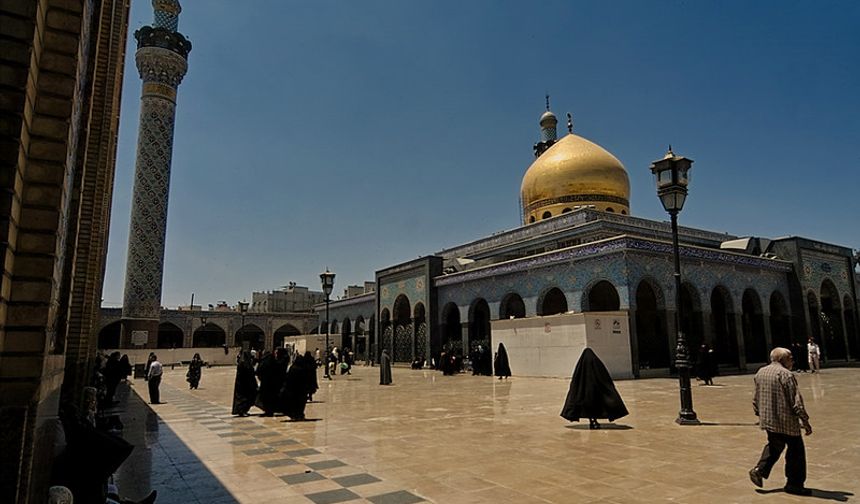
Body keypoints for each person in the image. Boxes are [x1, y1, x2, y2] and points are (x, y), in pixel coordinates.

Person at [749, 347, 813, 496]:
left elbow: (755, 397)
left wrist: (759, 413)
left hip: (769, 420)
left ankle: (759, 470)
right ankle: (794, 484)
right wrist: (805, 421)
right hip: (786, 421)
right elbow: (796, 402)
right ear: (782, 359)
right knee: (796, 452)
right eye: (790, 358)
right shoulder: (786, 374)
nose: (792, 360)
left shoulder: (761, 372)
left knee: (775, 446)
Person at [560, 348, 628, 429]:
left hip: (585, 393)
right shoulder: (596, 364)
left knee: (589, 407)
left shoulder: (581, 367)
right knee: (595, 406)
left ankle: (592, 421)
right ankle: (594, 421)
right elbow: (604, 378)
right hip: (595, 391)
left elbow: (575, 382)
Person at [232, 351, 258, 416]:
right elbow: (249, 373)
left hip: (242, 384)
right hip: (244, 385)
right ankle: (242, 411)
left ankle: (242, 411)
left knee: (243, 398)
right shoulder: (245, 364)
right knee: (243, 398)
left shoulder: (243, 363)